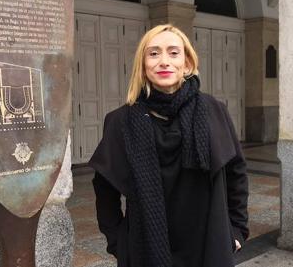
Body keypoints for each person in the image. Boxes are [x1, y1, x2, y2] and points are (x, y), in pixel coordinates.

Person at [89, 24, 249, 267]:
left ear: (187, 63)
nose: (164, 61)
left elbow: (236, 171)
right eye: (153, 53)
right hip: (146, 251)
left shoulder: (213, 111)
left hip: (209, 244)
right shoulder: (120, 121)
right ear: (142, 65)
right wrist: (118, 241)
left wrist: (237, 229)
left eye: (174, 53)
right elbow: (105, 188)